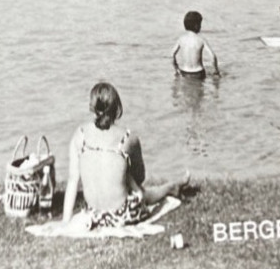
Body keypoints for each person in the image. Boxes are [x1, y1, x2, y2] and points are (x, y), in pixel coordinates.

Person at [59, 83, 187, 229]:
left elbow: (73, 180)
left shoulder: (80, 134)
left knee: (122, 175)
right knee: (140, 191)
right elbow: (140, 177)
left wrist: (65, 221)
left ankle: (170, 187)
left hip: (94, 215)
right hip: (122, 216)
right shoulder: (127, 138)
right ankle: (170, 187)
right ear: (117, 108)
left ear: (93, 107)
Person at [171, 11, 219, 78]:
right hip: (198, 73)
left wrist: (176, 69)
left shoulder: (181, 39)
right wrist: (216, 71)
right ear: (197, 26)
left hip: (184, 72)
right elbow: (213, 56)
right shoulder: (201, 39)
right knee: (199, 88)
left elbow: (172, 54)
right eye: (200, 24)